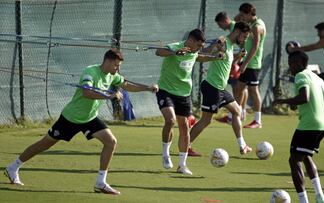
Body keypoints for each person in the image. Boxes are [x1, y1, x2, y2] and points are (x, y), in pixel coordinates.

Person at [4, 49, 159, 195]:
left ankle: (100, 182)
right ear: (108, 61)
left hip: (89, 118)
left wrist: (147, 88)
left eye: (119, 66)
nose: (117, 69)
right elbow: (86, 92)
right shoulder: (90, 72)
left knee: (111, 141)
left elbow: (126, 84)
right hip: (71, 117)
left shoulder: (112, 75)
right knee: (45, 144)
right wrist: (109, 96)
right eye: (116, 65)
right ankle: (13, 167)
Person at [155, 29, 222, 174]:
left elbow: (199, 57)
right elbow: (159, 52)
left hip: (184, 94)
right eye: (198, 45)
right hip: (166, 90)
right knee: (170, 120)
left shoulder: (194, 52)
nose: (199, 48)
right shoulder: (175, 46)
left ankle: (182, 165)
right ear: (191, 40)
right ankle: (166, 154)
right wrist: (175, 52)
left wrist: (215, 57)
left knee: (184, 127)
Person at [188, 22, 252, 157]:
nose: (245, 40)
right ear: (238, 32)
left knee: (237, 111)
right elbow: (201, 55)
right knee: (206, 120)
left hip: (220, 89)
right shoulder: (223, 42)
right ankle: (185, 145)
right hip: (213, 87)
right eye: (244, 37)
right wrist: (214, 46)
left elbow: (225, 62)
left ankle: (242, 145)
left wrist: (237, 58)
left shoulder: (230, 46)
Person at [274, 51, 324, 203]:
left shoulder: (300, 76)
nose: (290, 67)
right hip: (323, 124)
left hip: (309, 125)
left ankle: (303, 200)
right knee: (305, 156)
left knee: (294, 160)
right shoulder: (316, 78)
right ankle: (319, 196)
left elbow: (304, 98)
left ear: (299, 63)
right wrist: (294, 104)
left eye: (291, 63)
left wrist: (282, 101)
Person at [234, 3, 266, 128]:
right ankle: (238, 114)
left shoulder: (257, 26)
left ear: (248, 13)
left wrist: (245, 64)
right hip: (247, 61)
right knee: (239, 89)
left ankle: (258, 121)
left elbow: (255, 46)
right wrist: (241, 15)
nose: (241, 17)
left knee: (253, 90)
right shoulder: (253, 23)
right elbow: (236, 20)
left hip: (252, 63)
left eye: (243, 15)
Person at [214, 11, 249, 123]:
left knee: (239, 88)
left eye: (220, 24)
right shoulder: (235, 25)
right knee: (241, 87)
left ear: (225, 21)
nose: (220, 27)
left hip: (239, 61)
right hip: (238, 59)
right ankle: (239, 112)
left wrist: (238, 60)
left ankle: (237, 112)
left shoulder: (235, 28)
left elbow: (242, 45)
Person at [288, 22, 324, 89]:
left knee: (313, 80)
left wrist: (293, 49)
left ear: (323, 31)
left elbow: (310, 48)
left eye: (319, 32)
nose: (318, 35)